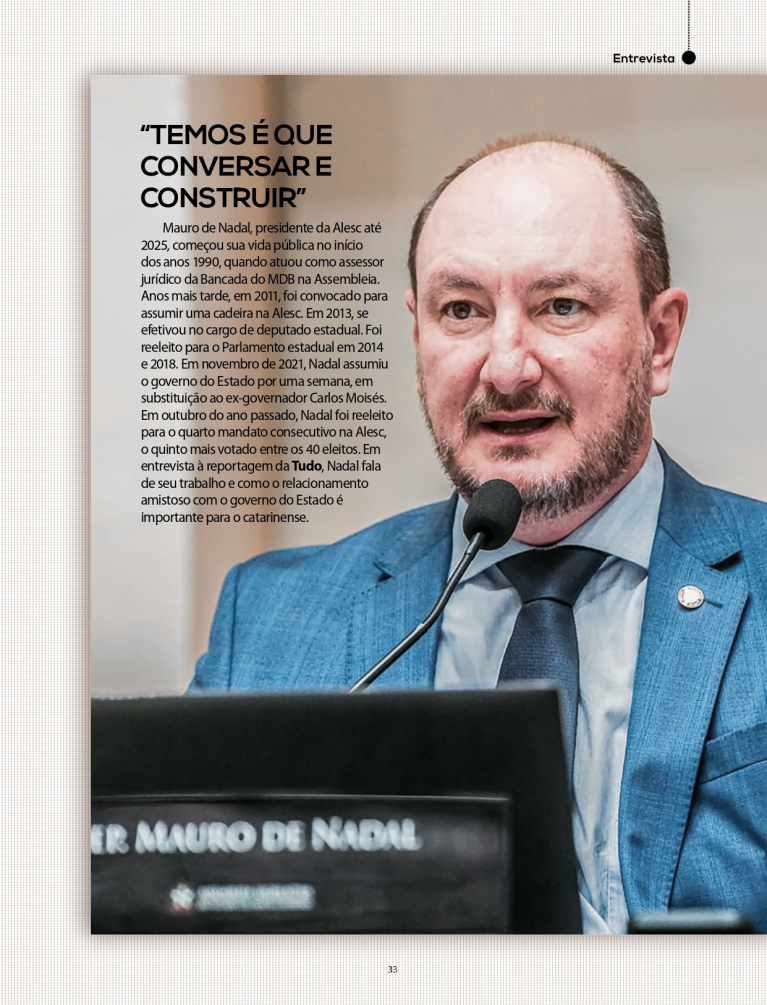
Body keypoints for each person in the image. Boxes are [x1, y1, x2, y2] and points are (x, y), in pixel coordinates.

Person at [191, 137, 767, 933]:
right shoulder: (268, 622)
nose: (505, 368)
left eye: (560, 306)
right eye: (460, 310)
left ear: (658, 338)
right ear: (416, 336)